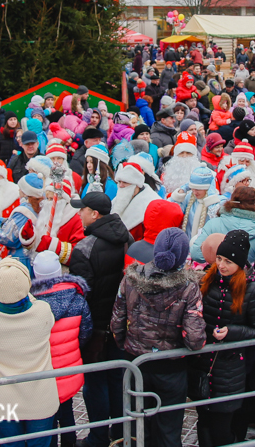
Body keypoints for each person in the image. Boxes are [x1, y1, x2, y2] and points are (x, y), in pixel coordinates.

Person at [111, 228, 206, 447]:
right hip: (171, 368)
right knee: (168, 431)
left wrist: (127, 345)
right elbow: (194, 339)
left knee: (140, 428)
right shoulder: (189, 287)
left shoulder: (130, 278)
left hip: (136, 364)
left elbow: (117, 322)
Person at [67, 191, 131, 447]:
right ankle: (120, 432)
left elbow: (83, 295)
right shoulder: (127, 238)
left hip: (95, 328)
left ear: (94, 214)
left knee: (95, 383)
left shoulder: (84, 248)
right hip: (121, 325)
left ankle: (98, 437)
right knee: (117, 378)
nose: (79, 213)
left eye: (82, 209)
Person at [193, 230, 255, 447]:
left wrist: (232, 332)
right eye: (219, 258)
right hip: (204, 364)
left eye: (228, 261)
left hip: (230, 369)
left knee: (221, 427)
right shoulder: (207, 280)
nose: (221, 265)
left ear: (240, 264)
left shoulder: (252, 290)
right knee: (203, 421)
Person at [0, 256, 59, 447]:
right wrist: (19, 287)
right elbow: (31, 299)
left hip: (4, 400)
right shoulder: (42, 311)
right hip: (40, 397)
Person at [29, 251, 92, 447]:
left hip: (42, 369)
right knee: (67, 412)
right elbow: (86, 331)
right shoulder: (76, 298)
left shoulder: (30, 302)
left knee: (45, 418)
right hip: (67, 368)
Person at [190, 186, 255, 264]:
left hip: (216, 272)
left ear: (232, 200)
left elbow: (196, 253)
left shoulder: (213, 224)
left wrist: (217, 262)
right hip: (246, 273)